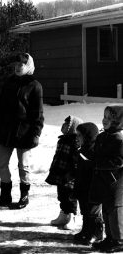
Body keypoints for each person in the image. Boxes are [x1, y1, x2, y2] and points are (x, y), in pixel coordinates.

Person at [0, 53, 44, 209]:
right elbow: (1, 107)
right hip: (7, 130)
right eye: (16, 65)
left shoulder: (35, 85)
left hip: (25, 131)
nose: (18, 67)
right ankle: (5, 195)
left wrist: (36, 133)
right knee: (1, 164)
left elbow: (38, 113)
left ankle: (24, 196)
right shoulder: (9, 82)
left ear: (28, 66)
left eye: (21, 65)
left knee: (23, 166)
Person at [90, 105, 123, 253]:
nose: (105, 120)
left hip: (116, 181)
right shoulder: (103, 136)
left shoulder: (119, 139)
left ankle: (119, 239)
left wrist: (99, 163)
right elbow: (96, 152)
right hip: (103, 180)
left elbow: (118, 161)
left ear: (119, 121)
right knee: (106, 209)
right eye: (104, 117)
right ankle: (110, 237)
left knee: (115, 210)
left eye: (110, 118)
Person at [46, 115, 83, 230]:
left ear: (72, 127)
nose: (63, 125)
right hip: (59, 173)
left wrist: (72, 173)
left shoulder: (75, 142)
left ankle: (72, 216)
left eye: (67, 124)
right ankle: (64, 214)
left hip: (69, 176)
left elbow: (76, 161)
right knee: (61, 195)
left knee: (70, 196)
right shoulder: (62, 140)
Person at [74, 122, 103, 245]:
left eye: (79, 135)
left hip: (93, 188)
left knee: (93, 212)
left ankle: (97, 233)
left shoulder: (94, 151)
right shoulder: (82, 151)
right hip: (83, 187)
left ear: (87, 136)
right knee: (85, 210)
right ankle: (86, 230)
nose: (77, 138)